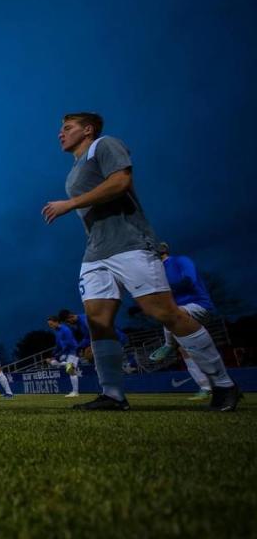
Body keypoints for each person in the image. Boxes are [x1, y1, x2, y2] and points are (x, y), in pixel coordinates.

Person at [42, 112, 240, 411]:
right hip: (96, 252)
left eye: (67, 128)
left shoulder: (104, 145)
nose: (61, 133)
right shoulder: (73, 170)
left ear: (88, 130)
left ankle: (224, 384)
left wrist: (70, 203)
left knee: (163, 312)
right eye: (61, 129)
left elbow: (121, 181)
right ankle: (113, 395)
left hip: (130, 244)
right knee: (97, 321)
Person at [147, 243, 215, 400]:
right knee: (186, 350)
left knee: (170, 315)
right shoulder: (156, 272)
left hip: (198, 305)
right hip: (179, 314)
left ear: (163, 250)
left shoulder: (180, 261)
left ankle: (168, 344)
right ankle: (206, 388)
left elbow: (188, 279)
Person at [46, 316, 80, 397]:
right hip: (66, 353)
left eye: (51, 324)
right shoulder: (57, 332)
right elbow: (58, 345)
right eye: (49, 325)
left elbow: (68, 344)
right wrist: (52, 355)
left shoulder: (66, 330)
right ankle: (69, 364)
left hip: (73, 352)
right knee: (54, 363)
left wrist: (57, 356)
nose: (50, 326)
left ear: (57, 322)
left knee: (70, 370)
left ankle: (75, 392)